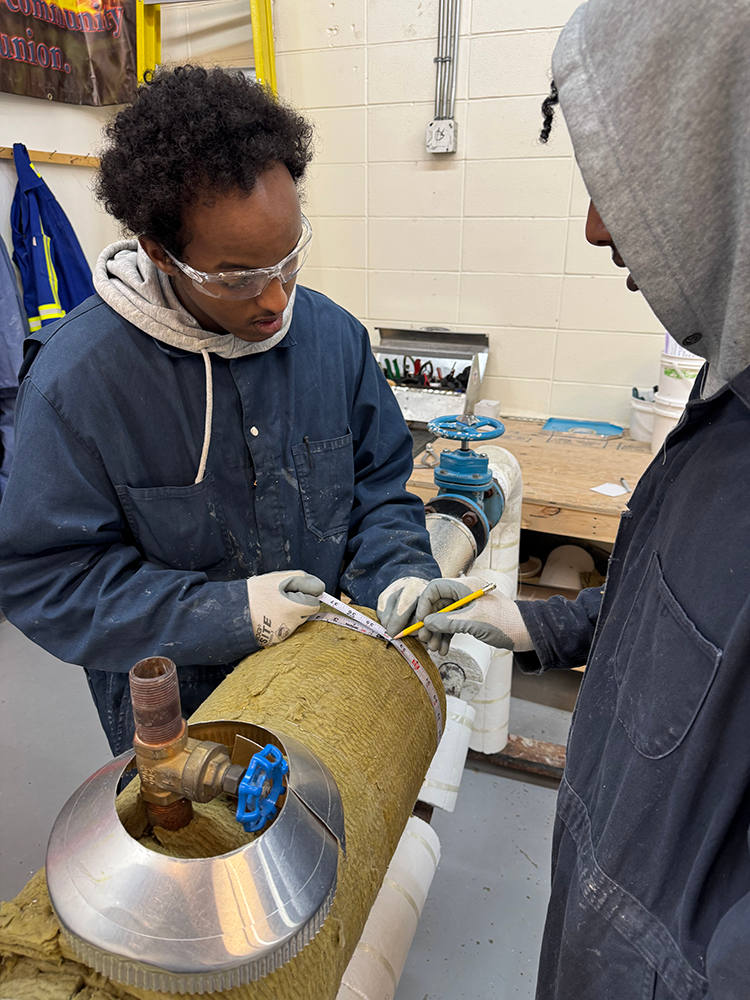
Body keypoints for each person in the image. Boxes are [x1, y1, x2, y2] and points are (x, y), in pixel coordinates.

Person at [414, 0, 750, 997]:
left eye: (626, 174)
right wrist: (531, 621)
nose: (599, 225)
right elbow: (686, 626)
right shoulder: (726, 402)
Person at [0, 66, 439, 756]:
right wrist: (231, 614)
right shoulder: (77, 382)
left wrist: (400, 570)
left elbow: (379, 489)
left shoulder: (334, 340)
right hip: (185, 718)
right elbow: (52, 578)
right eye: (237, 276)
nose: (276, 300)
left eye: (288, 259)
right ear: (159, 252)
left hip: (329, 684)